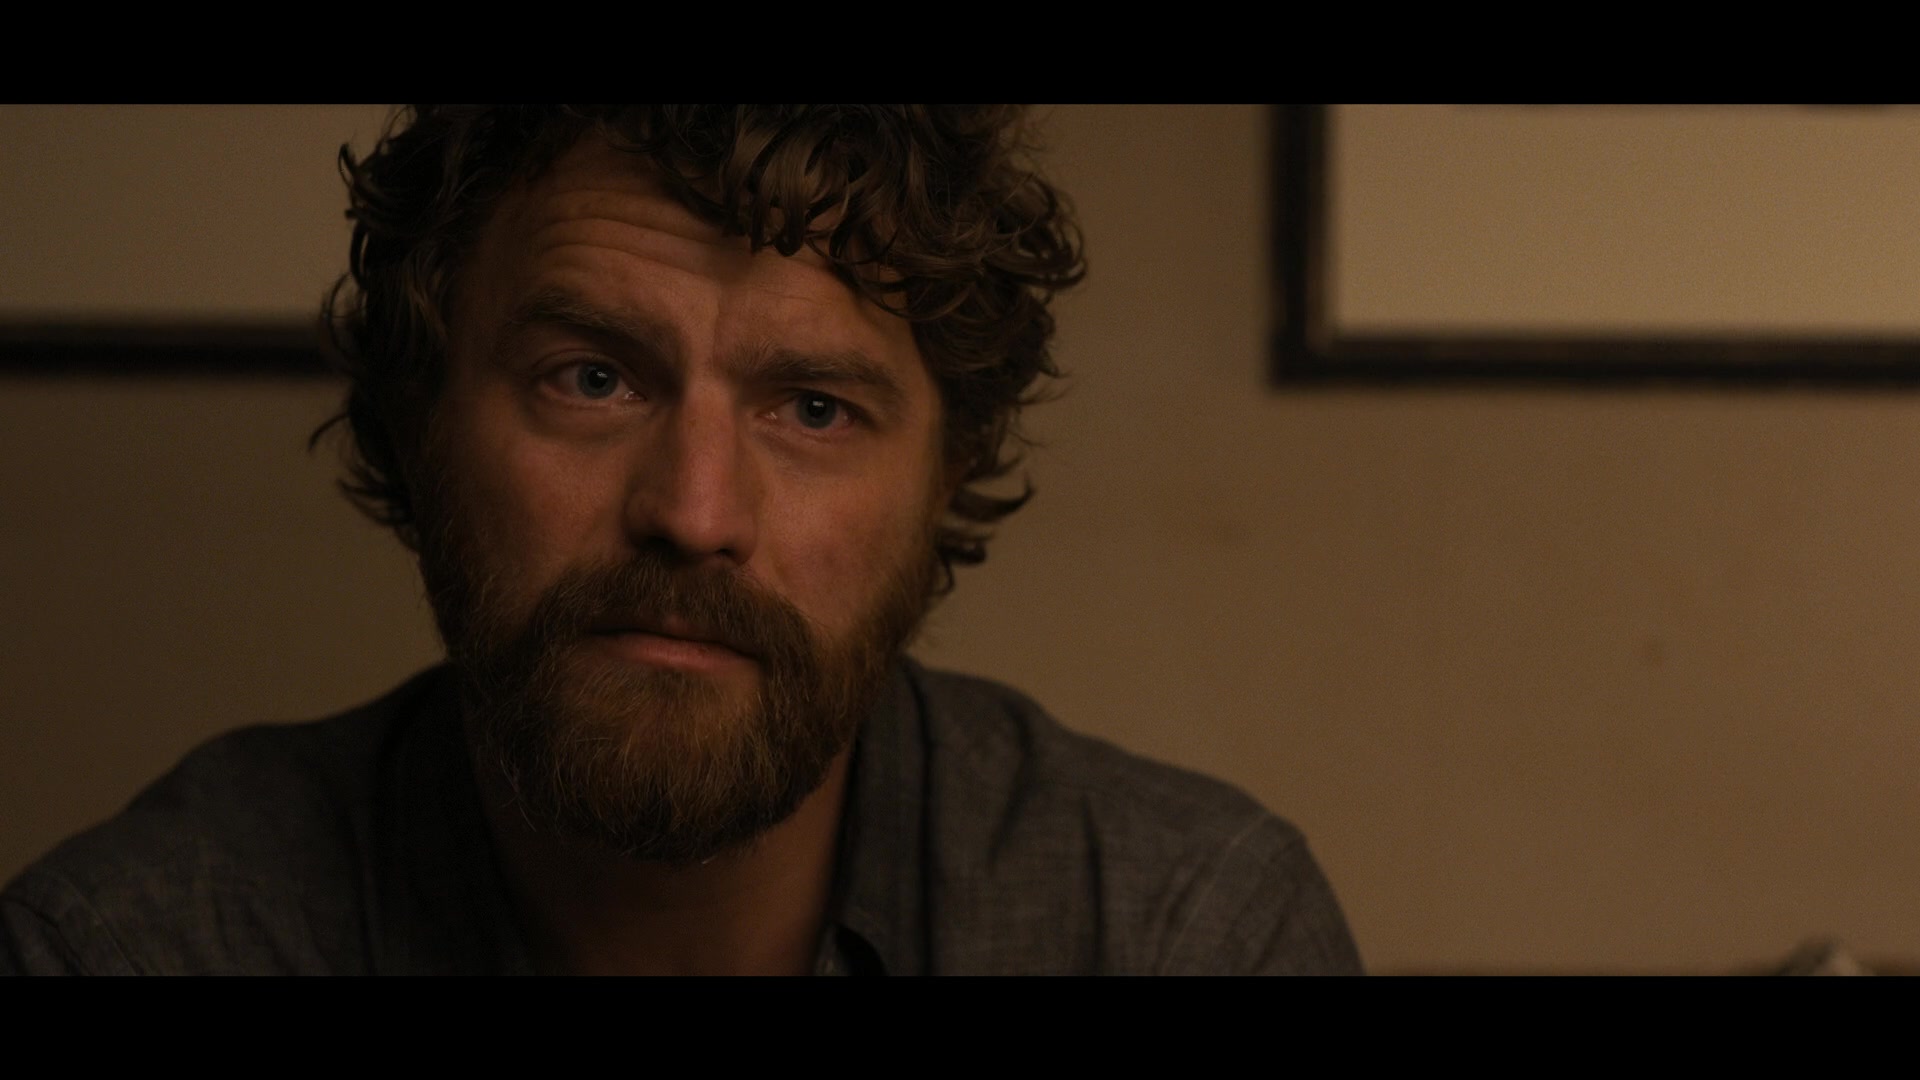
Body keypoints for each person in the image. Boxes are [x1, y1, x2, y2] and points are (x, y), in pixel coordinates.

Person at [0, 105, 1362, 975]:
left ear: (946, 476)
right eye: (592, 379)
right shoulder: (141, 943)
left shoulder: (1181, 929)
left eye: (814, 408)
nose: (695, 513)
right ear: (419, 425)